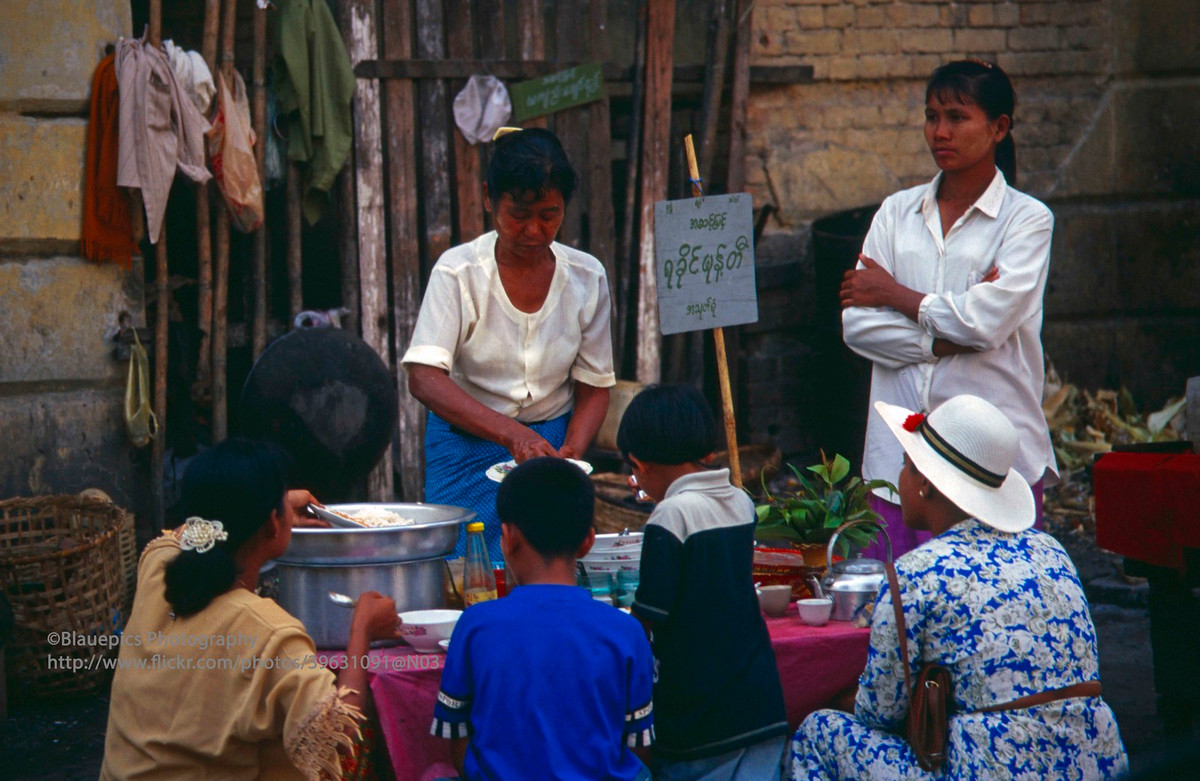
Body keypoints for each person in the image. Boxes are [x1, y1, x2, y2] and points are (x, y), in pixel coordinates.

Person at [790, 394, 1129, 779]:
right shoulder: (1051, 549)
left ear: (925, 485)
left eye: (905, 465)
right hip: (1097, 763)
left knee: (818, 731)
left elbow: (880, 711)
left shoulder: (915, 572)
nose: (900, 478)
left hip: (995, 769)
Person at [840, 60, 1057, 561]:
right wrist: (944, 337)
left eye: (957, 117)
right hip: (900, 463)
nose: (940, 131)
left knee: (994, 618)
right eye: (931, 115)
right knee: (900, 621)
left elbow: (986, 322)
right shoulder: (897, 213)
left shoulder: (1026, 221)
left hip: (991, 468)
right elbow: (856, 325)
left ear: (999, 127)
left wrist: (894, 294)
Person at [101, 438, 401, 780]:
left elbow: (186, 533)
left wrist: (265, 503)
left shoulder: (158, 569)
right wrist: (362, 630)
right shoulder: (269, 633)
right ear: (273, 523)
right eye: (283, 502)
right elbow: (334, 739)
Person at [402, 127, 616, 561]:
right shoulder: (458, 272)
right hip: (464, 446)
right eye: (519, 214)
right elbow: (424, 378)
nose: (534, 229)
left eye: (549, 214)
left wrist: (570, 452)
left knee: (546, 566)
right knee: (465, 571)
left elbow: (595, 387)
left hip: (550, 445)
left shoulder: (587, 276)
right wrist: (513, 437)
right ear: (488, 198)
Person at [429, 457, 655, 780]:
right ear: (588, 541)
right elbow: (638, 746)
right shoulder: (626, 631)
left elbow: (458, 743)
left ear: (508, 538)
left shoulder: (475, 626)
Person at [618, 384, 789, 779]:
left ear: (639, 465)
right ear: (708, 453)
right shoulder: (740, 502)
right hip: (758, 702)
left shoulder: (670, 517)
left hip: (698, 714)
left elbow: (650, 615)